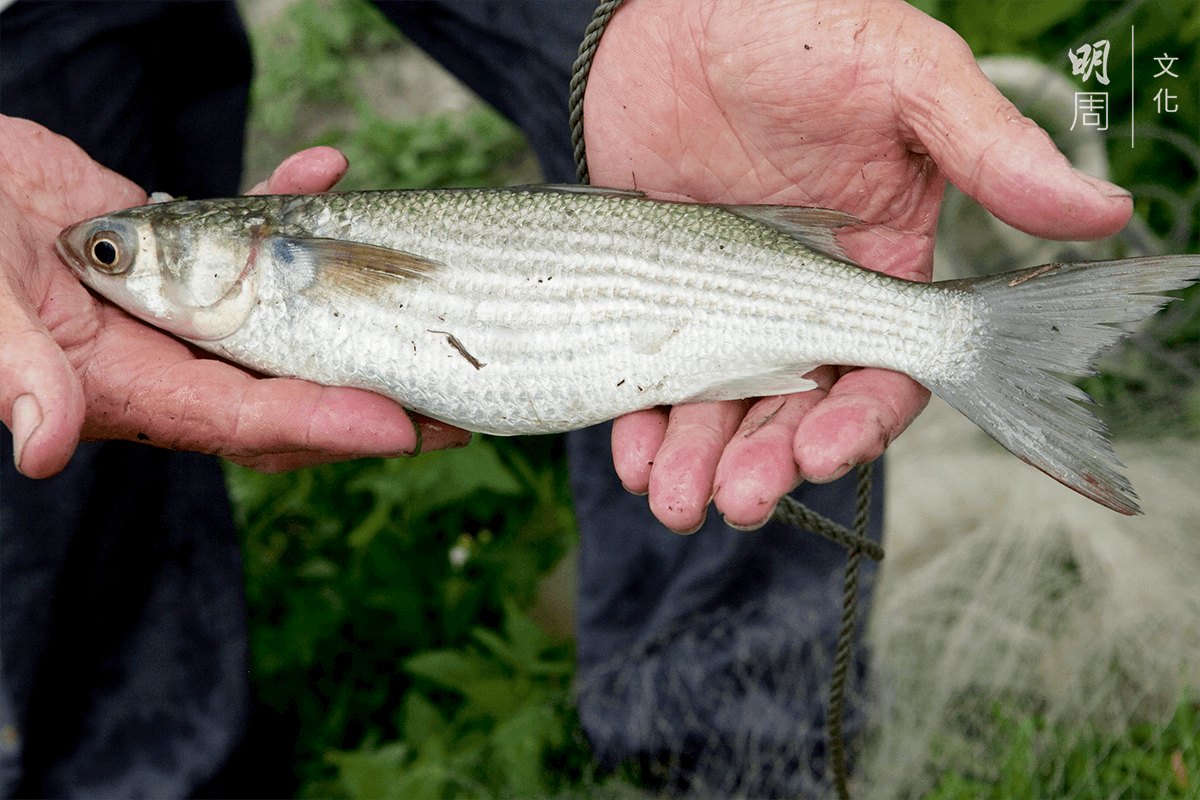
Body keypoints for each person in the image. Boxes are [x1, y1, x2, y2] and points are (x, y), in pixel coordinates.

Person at [0, 0, 1132, 796]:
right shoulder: (237, 251)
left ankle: (731, 760)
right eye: (114, 253)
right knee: (77, 482)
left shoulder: (264, 259)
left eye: (115, 252)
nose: (105, 263)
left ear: (241, 249)